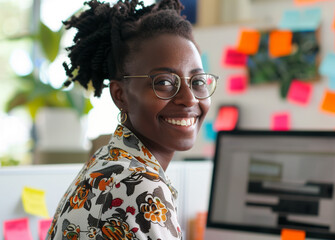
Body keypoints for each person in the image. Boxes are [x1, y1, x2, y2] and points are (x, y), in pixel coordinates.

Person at [47, 0, 218, 239]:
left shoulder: (109, 163)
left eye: (198, 82)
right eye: (165, 83)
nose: (189, 99)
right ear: (121, 95)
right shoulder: (139, 186)